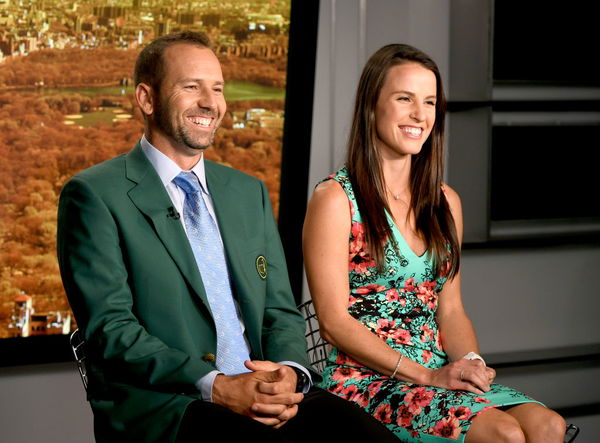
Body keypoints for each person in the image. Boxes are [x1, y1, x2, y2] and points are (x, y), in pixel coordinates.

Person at [57, 31, 397, 443]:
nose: (210, 102)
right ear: (146, 99)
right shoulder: (94, 195)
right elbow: (111, 329)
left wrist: (288, 373)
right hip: (172, 406)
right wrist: (217, 384)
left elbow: (280, 310)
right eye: (191, 87)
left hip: (264, 393)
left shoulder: (247, 191)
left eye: (217, 88)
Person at [302, 43, 567, 442]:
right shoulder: (335, 200)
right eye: (404, 98)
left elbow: (452, 310)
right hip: (366, 382)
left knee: (549, 425)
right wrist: (427, 376)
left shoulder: (446, 202)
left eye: (429, 102)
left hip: (438, 372)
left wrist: (471, 363)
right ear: (372, 106)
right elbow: (334, 323)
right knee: (505, 435)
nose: (419, 115)